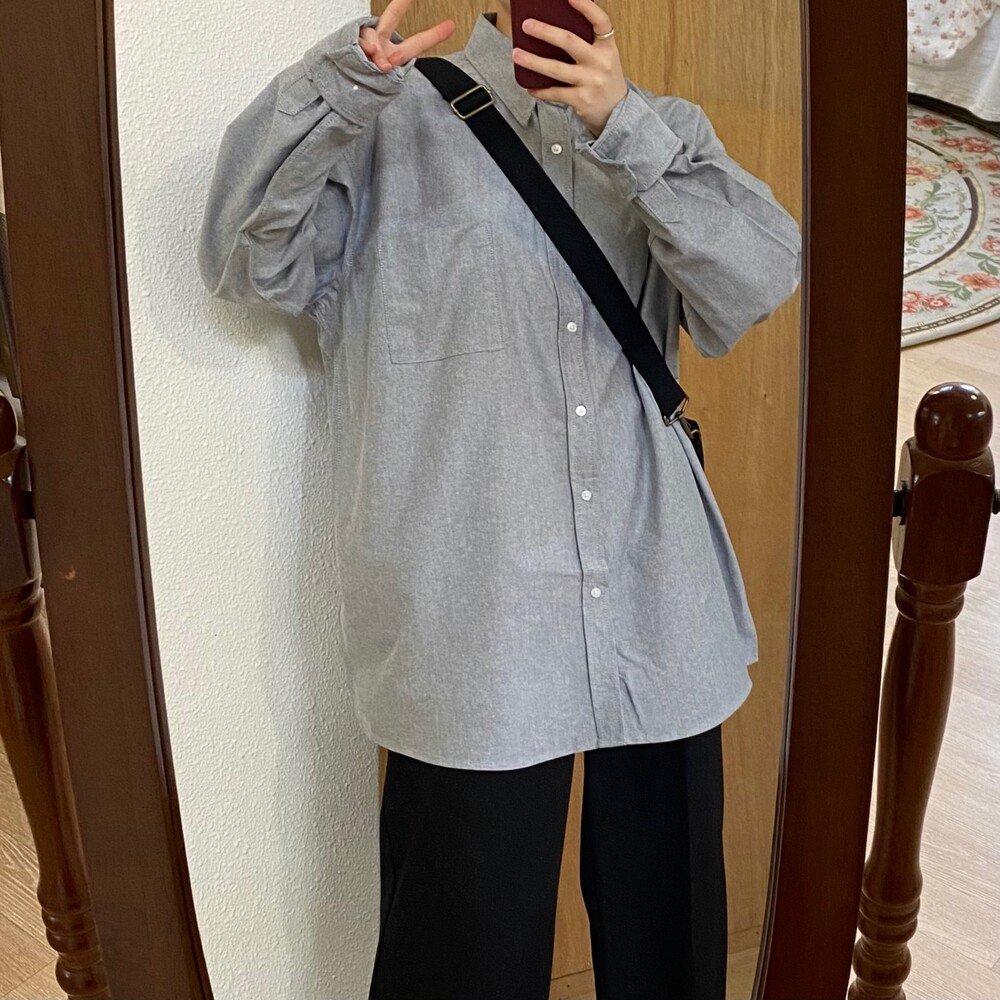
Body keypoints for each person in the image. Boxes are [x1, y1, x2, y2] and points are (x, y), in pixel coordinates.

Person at [198, 1, 802, 997]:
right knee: (461, 954)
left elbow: (758, 279)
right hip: (477, 622)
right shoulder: (382, 126)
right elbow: (241, 261)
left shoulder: (661, 131)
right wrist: (343, 85)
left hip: (654, 600)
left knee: (674, 943)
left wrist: (626, 128)